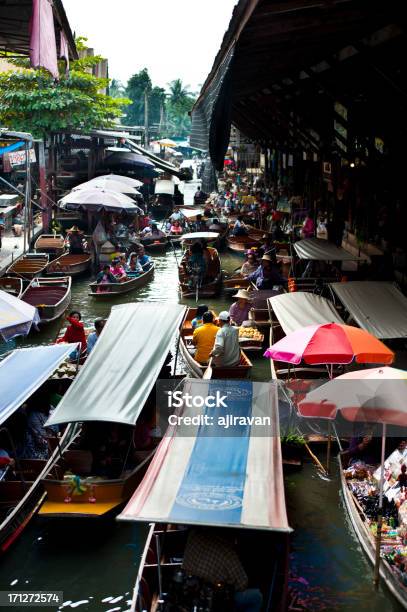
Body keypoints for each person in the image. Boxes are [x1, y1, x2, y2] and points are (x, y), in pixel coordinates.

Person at [182, 529, 262, 612]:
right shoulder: (228, 553)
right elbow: (242, 584)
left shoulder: (195, 534)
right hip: (210, 596)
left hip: (187, 586)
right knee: (257, 597)